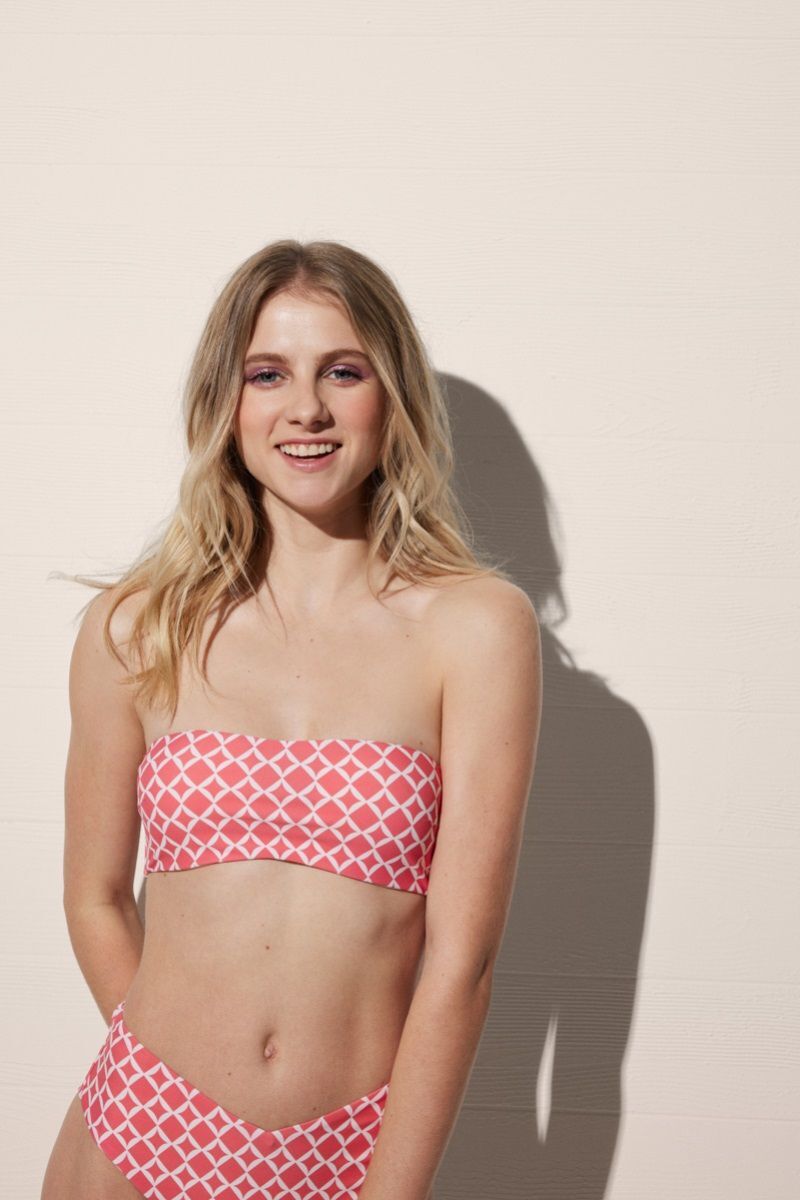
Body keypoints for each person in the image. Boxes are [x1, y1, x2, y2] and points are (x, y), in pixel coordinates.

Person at [40, 238, 542, 1200]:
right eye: (267, 374)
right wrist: (161, 1093)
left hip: (352, 1151)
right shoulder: (138, 627)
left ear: (392, 395)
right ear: (225, 403)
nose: (305, 408)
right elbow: (94, 897)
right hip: (138, 1134)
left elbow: (463, 965)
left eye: (343, 372)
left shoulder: (475, 629)